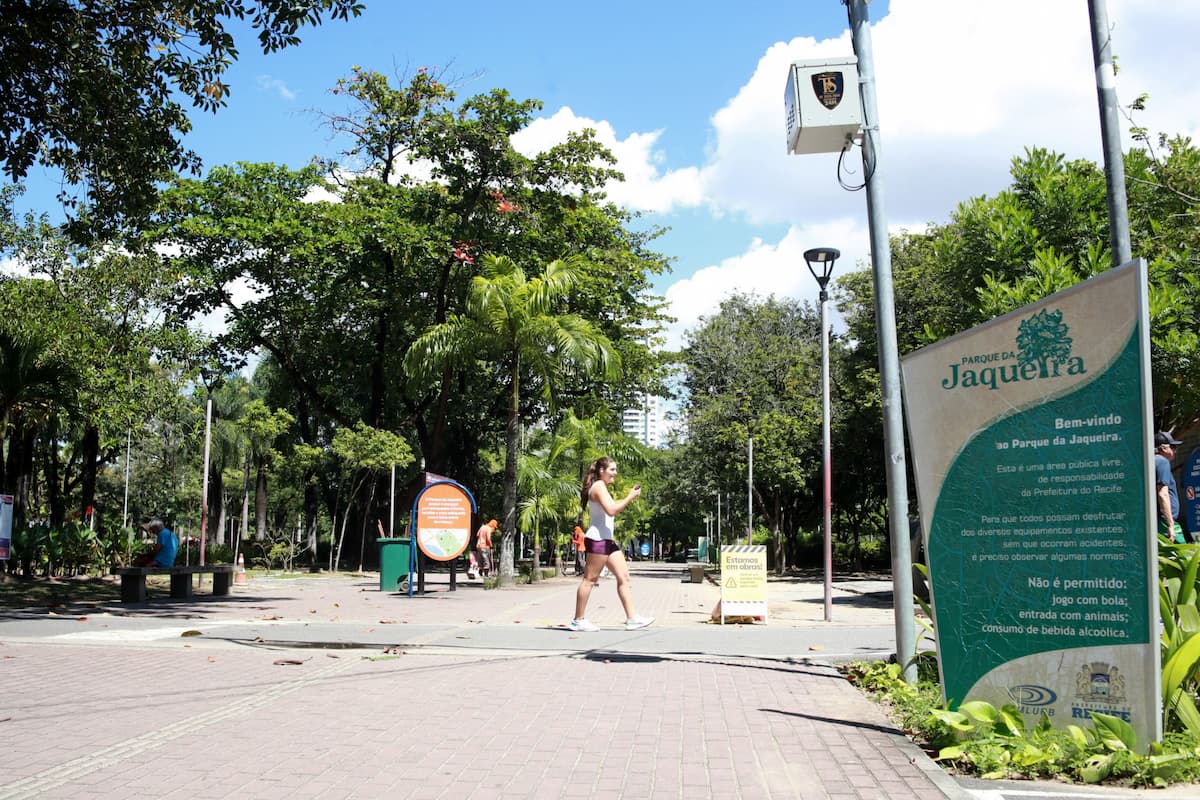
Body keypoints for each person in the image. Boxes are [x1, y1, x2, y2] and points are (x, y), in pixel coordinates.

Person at [569, 457, 653, 632]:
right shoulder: (598, 486)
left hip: (607, 540)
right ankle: (578, 620)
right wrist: (630, 497)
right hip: (598, 539)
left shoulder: (602, 487)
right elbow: (611, 510)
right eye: (612, 470)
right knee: (589, 580)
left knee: (624, 576)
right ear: (602, 471)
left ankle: (632, 618)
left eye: (615, 469)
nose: (615, 473)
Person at [1155, 430, 1188, 543]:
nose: (1175, 450)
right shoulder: (1162, 461)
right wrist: (1170, 525)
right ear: (1164, 448)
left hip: (1157, 520)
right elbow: (1163, 494)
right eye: (1173, 447)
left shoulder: (1151, 462)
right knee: (1185, 556)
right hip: (1165, 521)